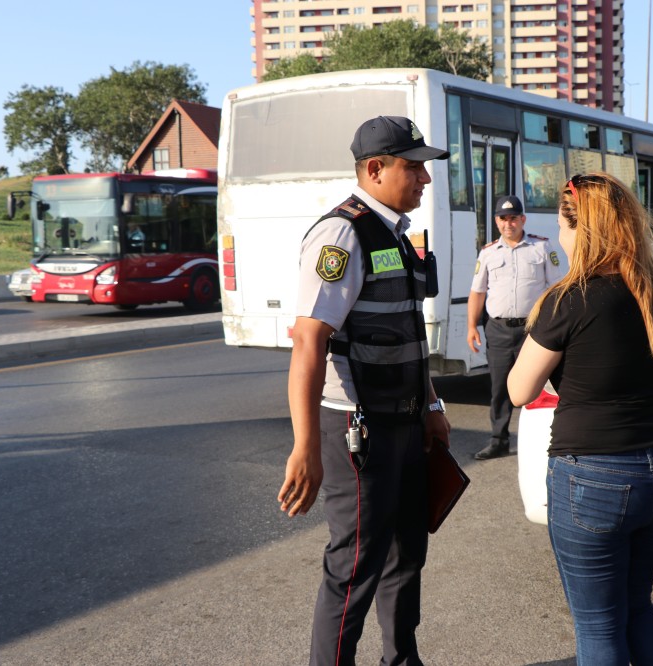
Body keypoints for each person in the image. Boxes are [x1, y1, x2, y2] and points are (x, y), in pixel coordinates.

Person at [278, 115, 452, 666]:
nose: (425, 178)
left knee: (406, 556)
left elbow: (404, 331)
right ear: (375, 169)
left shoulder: (396, 235)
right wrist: (305, 447)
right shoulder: (342, 234)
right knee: (354, 565)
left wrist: (430, 405)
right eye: (414, 166)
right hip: (359, 428)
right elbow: (308, 342)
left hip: (403, 420)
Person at [507, 172, 653, 665]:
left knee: (598, 625)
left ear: (580, 230)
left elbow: (518, 390)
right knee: (637, 606)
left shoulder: (567, 300)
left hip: (593, 476)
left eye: (561, 226)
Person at [467, 194, 563, 460]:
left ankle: (544, 440)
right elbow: (477, 292)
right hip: (498, 330)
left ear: (523, 219)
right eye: (503, 218)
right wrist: (471, 327)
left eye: (513, 218)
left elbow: (556, 289)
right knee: (499, 388)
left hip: (534, 330)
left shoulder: (541, 248)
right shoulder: (487, 253)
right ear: (497, 221)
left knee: (542, 386)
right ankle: (499, 440)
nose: (508, 224)